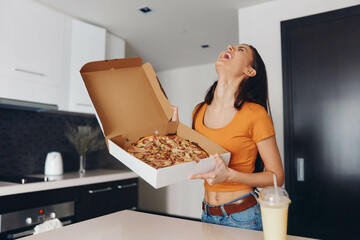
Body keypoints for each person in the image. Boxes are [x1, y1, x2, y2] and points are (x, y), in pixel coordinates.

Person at [171, 44, 284, 230]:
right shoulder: (198, 111)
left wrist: (230, 175)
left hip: (243, 216)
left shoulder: (256, 114)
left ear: (249, 70)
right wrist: (175, 134)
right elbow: (197, 162)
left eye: (241, 50)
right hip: (207, 213)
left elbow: (277, 178)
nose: (230, 46)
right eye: (232, 46)